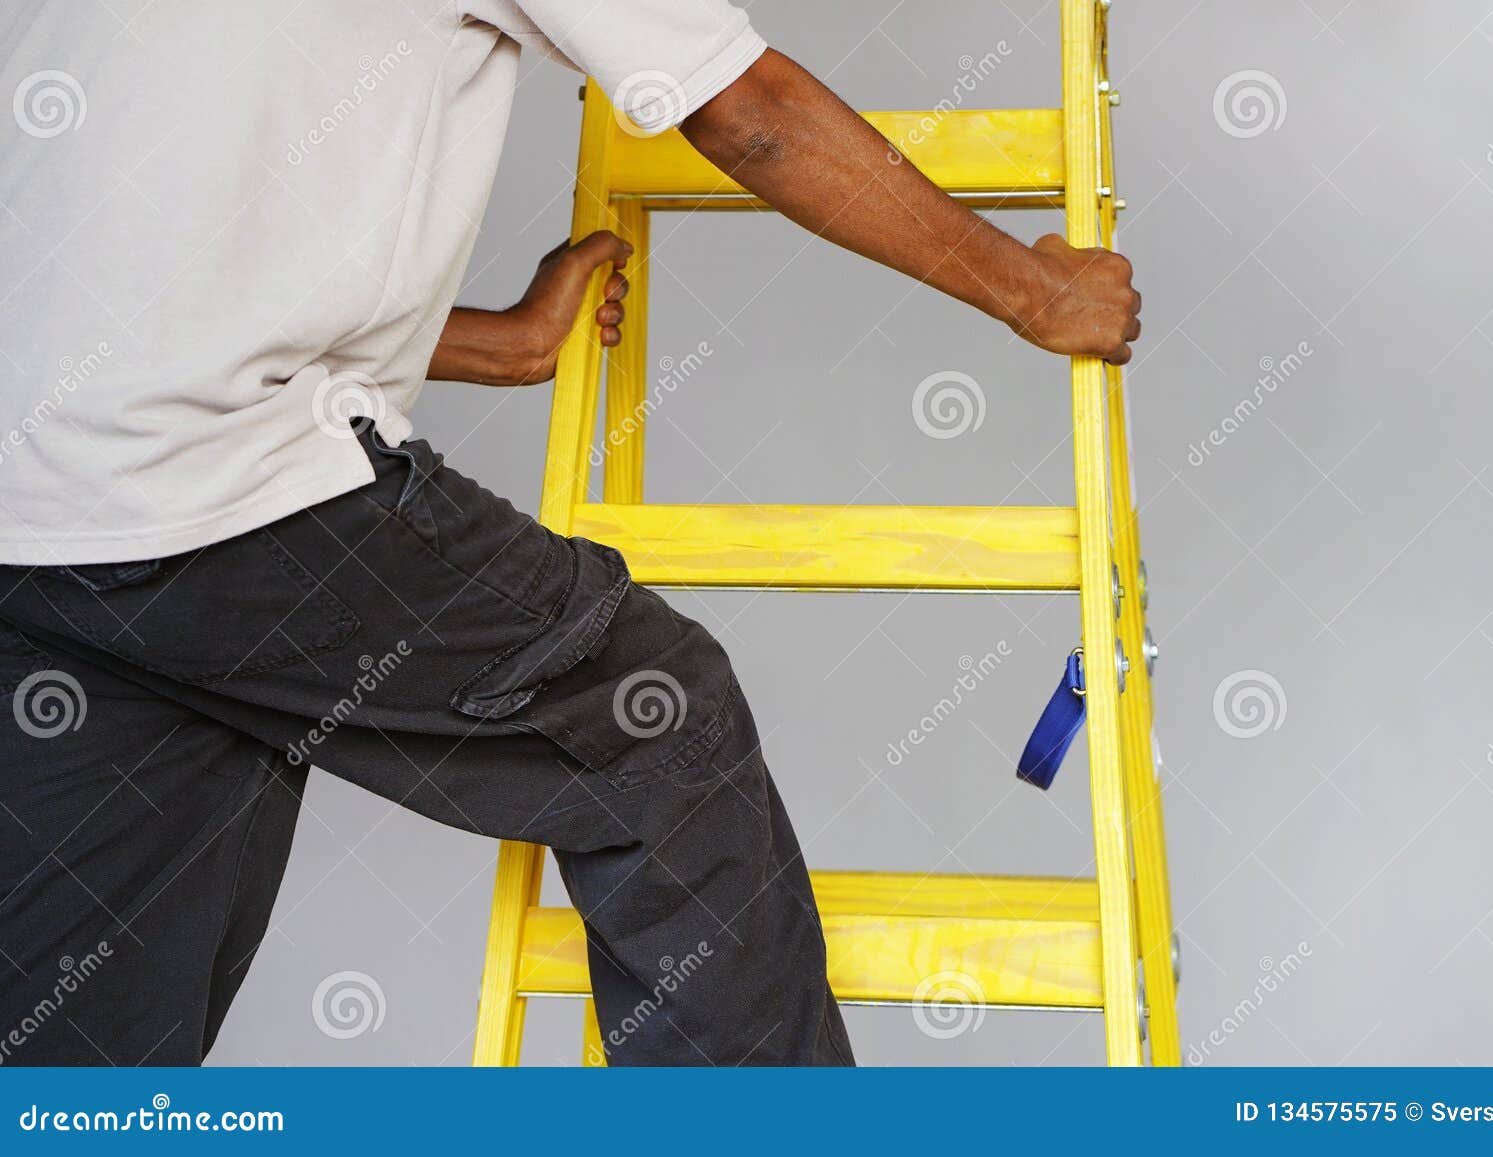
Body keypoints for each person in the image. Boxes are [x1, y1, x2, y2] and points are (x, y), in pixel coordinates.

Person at [0, 0, 1140, 1066]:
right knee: (657, 720)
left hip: (40, 513)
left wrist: (482, 340)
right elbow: (754, 116)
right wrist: (1034, 293)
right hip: (218, 487)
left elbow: (138, 262)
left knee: (83, 1011)